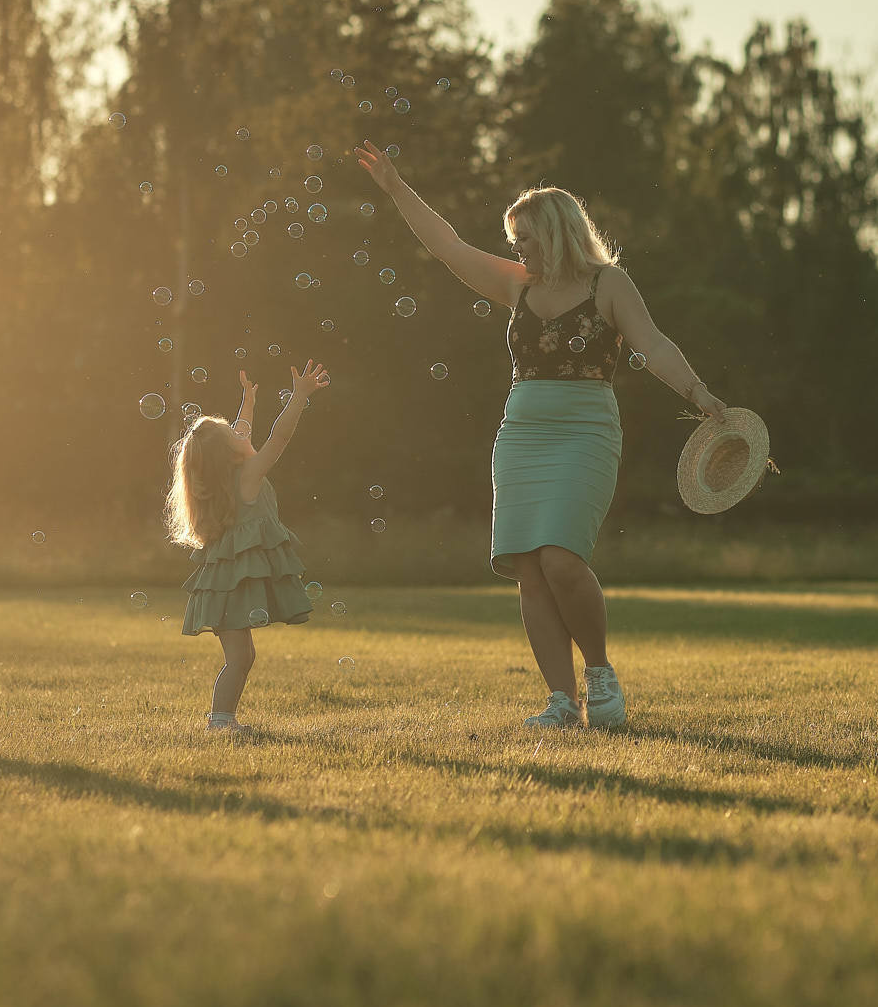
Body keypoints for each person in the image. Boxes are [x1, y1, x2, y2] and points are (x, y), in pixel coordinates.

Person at [353, 140, 726, 729]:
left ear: (556, 232)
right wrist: (397, 188)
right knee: (529, 569)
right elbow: (449, 248)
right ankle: (561, 700)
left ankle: (599, 674)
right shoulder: (518, 286)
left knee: (561, 559)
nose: (517, 248)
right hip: (521, 434)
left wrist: (699, 394)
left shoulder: (608, 284)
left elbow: (653, 345)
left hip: (585, 431)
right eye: (514, 239)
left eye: (525, 237)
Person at [167, 362, 332, 733]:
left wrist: (249, 403)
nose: (242, 432)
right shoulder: (249, 476)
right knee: (241, 658)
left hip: (220, 588)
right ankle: (220, 722)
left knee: (241, 657)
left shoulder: (223, 483)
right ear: (230, 453)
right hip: (236, 586)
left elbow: (242, 432)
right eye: (235, 433)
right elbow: (279, 438)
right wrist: (299, 397)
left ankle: (222, 720)